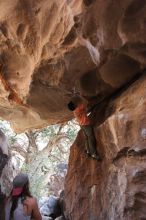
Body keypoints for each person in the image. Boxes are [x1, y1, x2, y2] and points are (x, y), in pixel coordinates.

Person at [67, 95, 101, 161]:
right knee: (91, 138)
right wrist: (80, 96)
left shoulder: (74, 111)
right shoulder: (78, 109)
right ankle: (93, 154)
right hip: (86, 125)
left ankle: (88, 150)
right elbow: (86, 103)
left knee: (87, 138)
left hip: (82, 125)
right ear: (74, 106)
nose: (75, 103)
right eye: (74, 104)